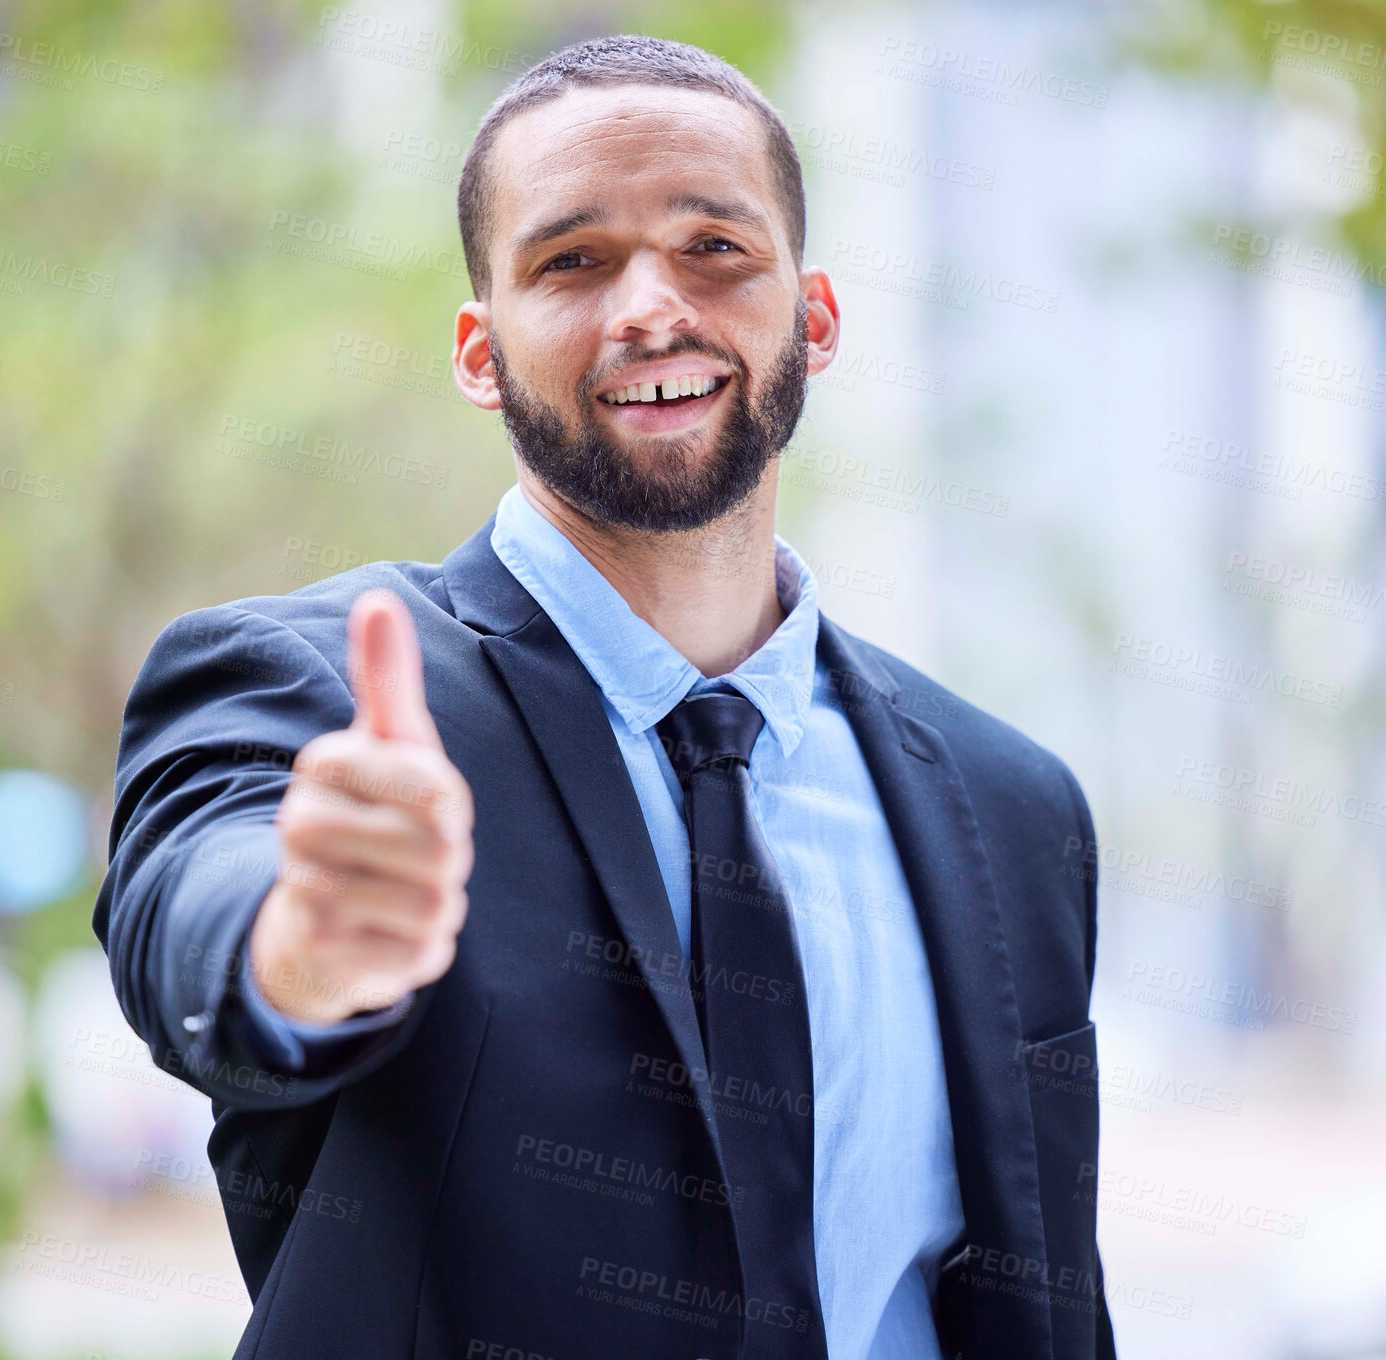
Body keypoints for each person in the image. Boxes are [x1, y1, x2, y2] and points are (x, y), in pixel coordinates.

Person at [95, 33, 1116, 1360]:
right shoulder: (315, 691)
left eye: (714, 249)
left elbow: (1044, 1298)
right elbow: (199, 914)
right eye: (570, 260)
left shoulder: (1009, 806)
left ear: (810, 317)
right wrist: (307, 942)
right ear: (478, 350)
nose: (649, 306)